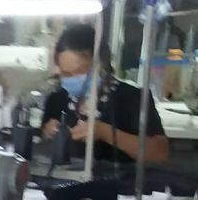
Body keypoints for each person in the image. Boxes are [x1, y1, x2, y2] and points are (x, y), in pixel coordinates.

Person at [40, 22, 168, 174]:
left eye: (81, 71)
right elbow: (41, 152)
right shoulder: (56, 100)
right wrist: (47, 133)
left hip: (119, 184)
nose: (73, 78)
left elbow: (159, 154)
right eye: (66, 74)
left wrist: (105, 132)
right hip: (66, 183)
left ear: (102, 65)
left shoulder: (133, 98)